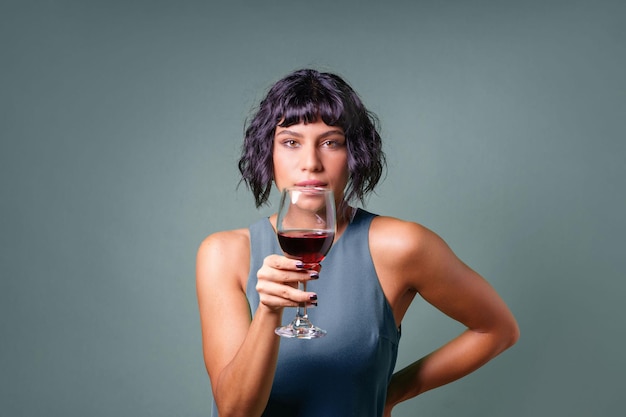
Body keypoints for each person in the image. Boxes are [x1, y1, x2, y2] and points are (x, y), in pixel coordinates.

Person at [196, 68, 520, 417]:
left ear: (354, 155)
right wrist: (269, 311)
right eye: (291, 142)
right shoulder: (224, 254)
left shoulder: (400, 246)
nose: (310, 164)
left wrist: (391, 393)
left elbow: (498, 329)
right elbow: (234, 412)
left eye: (330, 142)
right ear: (268, 154)